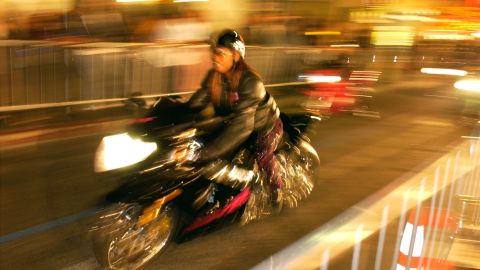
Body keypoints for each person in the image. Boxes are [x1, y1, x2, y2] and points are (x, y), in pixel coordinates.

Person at [186, 29, 283, 204]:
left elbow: (243, 126)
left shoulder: (251, 82)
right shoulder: (213, 77)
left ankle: (276, 189)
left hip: (262, 126)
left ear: (236, 56)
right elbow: (193, 105)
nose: (214, 57)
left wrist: (208, 153)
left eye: (220, 53)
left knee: (262, 153)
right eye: (213, 52)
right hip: (233, 123)